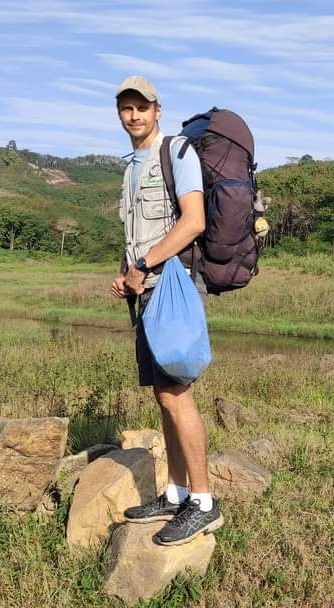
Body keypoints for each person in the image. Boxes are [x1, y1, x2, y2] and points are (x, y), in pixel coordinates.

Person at [109, 75, 223, 545]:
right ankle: (176, 493)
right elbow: (138, 232)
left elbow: (193, 222)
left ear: (158, 110)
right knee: (163, 394)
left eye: (142, 107)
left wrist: (143, 265)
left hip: (171, 288)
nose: (133, 115)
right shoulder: (130, 167)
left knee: (178, 394)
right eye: (126, 107)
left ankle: (204, 503)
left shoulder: (177, 153)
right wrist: (126, 272)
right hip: (145, 290)